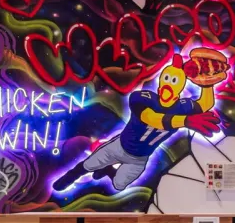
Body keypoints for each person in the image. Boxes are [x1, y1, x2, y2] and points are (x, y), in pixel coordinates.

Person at [53, 55, 221, 192]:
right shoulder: (143, 98)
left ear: (181, 86)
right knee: (88, 165)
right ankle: (66, 180)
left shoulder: (182, 107)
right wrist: (185, 121)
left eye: (174, 81)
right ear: (162, 80)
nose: (169, 84)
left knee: (119, 185)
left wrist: (208, 84)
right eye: (167, 79)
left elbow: (205, 104)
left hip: (140, 158)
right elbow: (152, 118)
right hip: (119, 146)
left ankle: (107, 169)